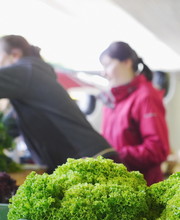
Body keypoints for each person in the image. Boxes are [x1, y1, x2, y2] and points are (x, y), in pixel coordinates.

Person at [0, 35, 118, 172]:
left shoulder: (25, 71)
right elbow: (10, 125)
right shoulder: (33, 80)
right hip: (93, 157)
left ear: (15, 54)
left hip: (89, 161)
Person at [99, 41, 170, 185]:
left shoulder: (146, 97)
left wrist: (113, 156)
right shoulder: (112, 101)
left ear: (126, 62)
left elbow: (157, 150)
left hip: (142, 187)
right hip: (118, 186)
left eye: (107, 65)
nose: (104, 73)